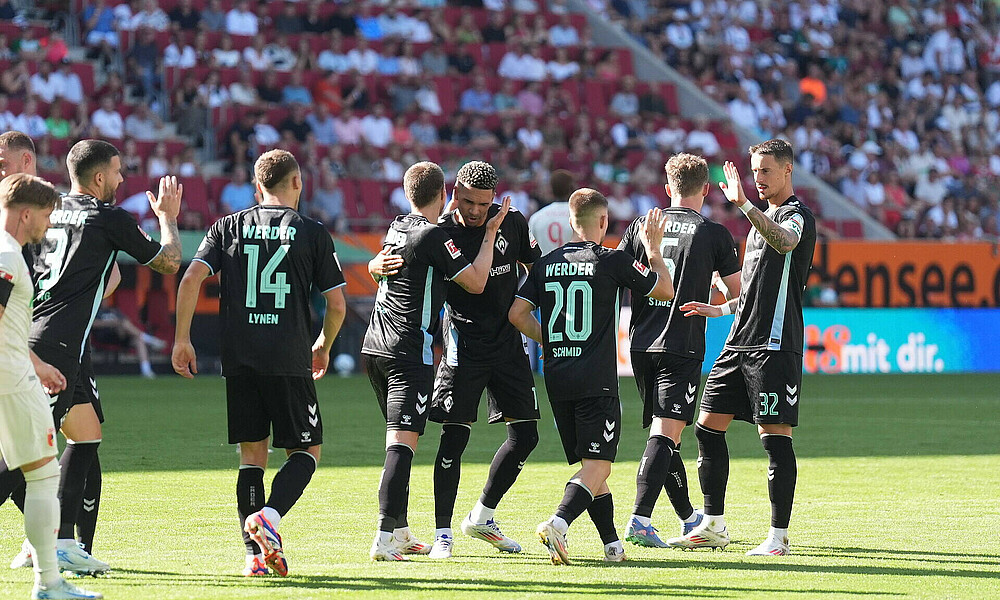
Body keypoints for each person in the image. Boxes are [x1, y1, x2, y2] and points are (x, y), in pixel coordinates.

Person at [172, 149, 347, 577]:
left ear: (257, 187)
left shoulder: (228, 226)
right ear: (298, 183)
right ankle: (269, 517)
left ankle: (254, 557)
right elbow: (337, 303)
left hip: (240, 359)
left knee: (252, 457)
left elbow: (191, 276)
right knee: (307, 450)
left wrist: (182, 339)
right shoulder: (311, 231)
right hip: (288, 357)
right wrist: (322, 344)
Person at [12, 139, 182, 574]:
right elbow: (169, 261)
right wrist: (167, 218)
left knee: (85, 435)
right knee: (23, 455)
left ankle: (63, 539)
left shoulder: (49, 210)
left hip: (34, 332)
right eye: (118, 171)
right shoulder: (108, 218)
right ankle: (46, 541)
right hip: (55, 346)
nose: (123, 179)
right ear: (100, 177)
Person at [369, 161, 541, 559]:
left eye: (483, 203)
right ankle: (442, 532)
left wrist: (527, 308)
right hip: (462, 343)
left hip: (507, 343)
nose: (476, 210)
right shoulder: (438, 230)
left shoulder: (513, 221)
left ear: (493, 197)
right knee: (454, 436)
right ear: (453, 191)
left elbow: (536, 268)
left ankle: (481, 516)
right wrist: (376, 266)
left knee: (527, 435)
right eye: (468, 201)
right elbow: (394, 258)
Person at [508, 189, 675, 564]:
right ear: (603, 221)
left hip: (557, 376)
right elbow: (664, 289)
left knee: (592, 467)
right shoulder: (612, 260)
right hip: (595, 377)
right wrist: (653, 250)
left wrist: (550, 339)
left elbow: (517, 315)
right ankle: (559, 523)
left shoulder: (546, 263)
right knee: (599, 465)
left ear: (571, 222)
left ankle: (613, 547)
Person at [668, 139, 817, 556]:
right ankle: (713, 524)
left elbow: (786, 242)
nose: (758, 179)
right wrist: (719, 310)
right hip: (739, 342)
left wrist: (744, 206)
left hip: (774, 344)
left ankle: (778, 537)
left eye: (766, 171)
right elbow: (752, 291)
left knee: (774, 438)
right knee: (707, 427)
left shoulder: (796, 216)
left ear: (787, 171)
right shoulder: (760, 220)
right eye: (755, 172)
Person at [616, 153, 742, 548]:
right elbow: (738, 295)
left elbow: (619, 274)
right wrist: (715, 288)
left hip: (639, 343)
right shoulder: (714, 234)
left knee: (669, 435)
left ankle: (689, 518)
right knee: (665, 434)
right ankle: (639, 519)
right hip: (681, 343)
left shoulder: (641, 226)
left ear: (668, 189)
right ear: (706, 189)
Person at [1, 173, 103, 600]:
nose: (48, 225)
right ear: (26, 213)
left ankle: (50, 579)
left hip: (18, 371)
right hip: (10, 383)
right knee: (43, 475)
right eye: (45, 216)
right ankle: (49, 581)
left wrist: (37, 362)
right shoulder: (7, 257)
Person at [527, 169, 575, 255]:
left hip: (544, 267)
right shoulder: (580, 216)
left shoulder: (536, 218)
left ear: (551, 189)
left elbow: (529, 252)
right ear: (572, 188)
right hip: (574, 267)